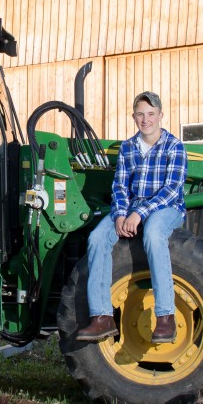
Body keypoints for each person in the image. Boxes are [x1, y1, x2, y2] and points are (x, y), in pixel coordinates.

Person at [76, 91, 187, 344]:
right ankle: (102, 317)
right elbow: (120, 187)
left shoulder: (174, 146)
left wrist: (139, 213)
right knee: (96, 238)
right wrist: (119, 215)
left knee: (154, 234)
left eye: (150, 114)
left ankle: (165, 316)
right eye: (140, 114)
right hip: (131, 208)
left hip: (166, 208)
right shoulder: (128, 147)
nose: (145, 119)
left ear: (160, 115)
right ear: (134, 116)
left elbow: (172, 189)